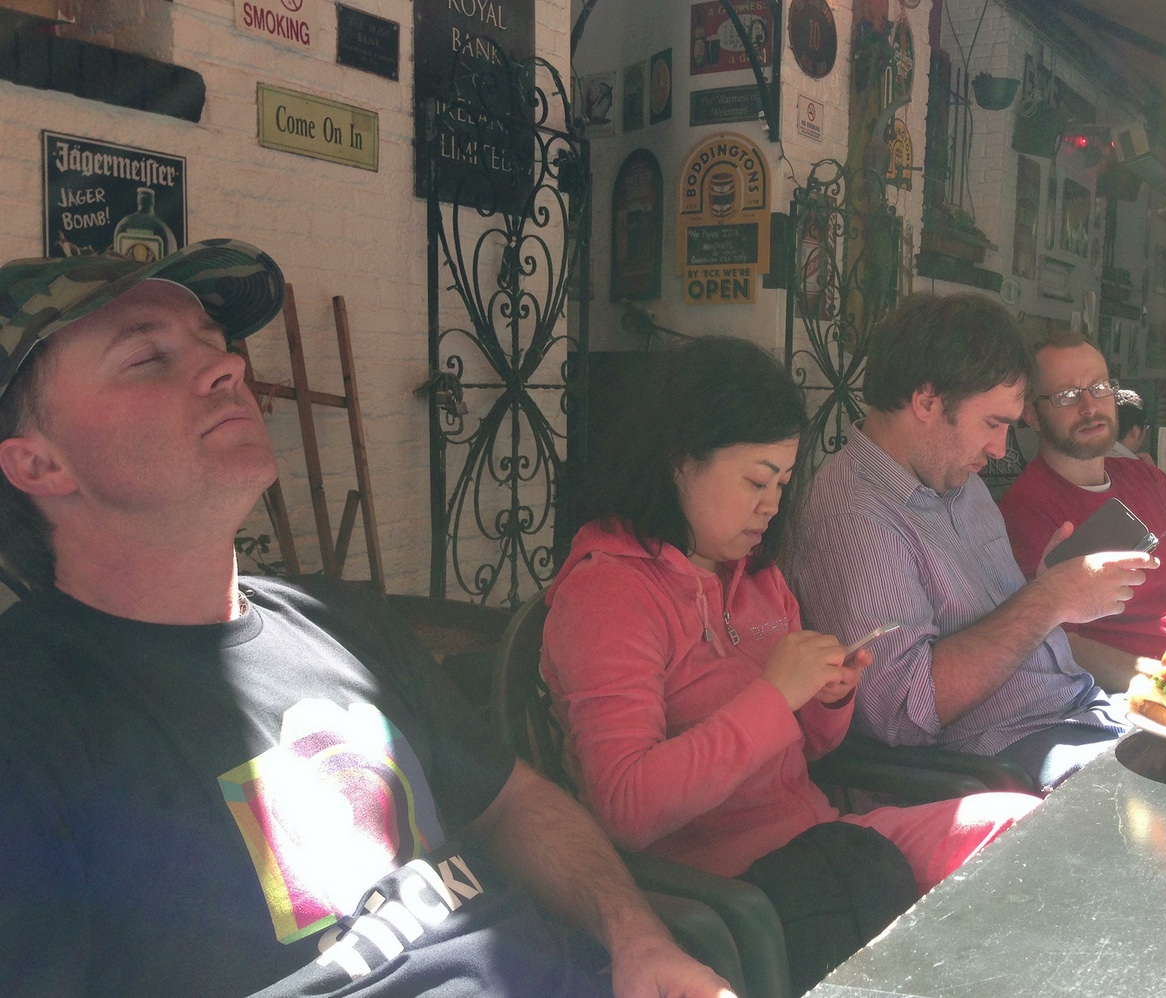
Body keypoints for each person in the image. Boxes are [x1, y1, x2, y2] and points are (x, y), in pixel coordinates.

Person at [0, 241, 732, 998]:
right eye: (147, 359)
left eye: (216, 346)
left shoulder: (338, 619)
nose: (230, 369)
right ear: (38, 466)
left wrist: (637, 939)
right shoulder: (27, 722)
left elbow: (512, 801)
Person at [541, 336, 1039, 993]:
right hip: (722, 894)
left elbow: (803, 751)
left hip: (821, 845)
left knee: (1026, 833)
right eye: (754, 480)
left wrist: (825, 699)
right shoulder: (610, 592)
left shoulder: (755, 576)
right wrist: (774, 697)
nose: (771, 505)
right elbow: (626, 807)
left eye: (782, 481)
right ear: (679, 461)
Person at [784, 292, 1157, 794]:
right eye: (992, 423)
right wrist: (1047, 601)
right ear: (927, 401)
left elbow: (990, 624)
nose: (1000, 449)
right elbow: (903, 713)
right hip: (1004, 758)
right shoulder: (853, 515)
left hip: (1080, 712)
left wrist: (1044, 586)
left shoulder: (961, 482)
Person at [997, 329, 1166, 685]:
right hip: (1126, 703)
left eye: (1099, 387)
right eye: (1067, 396)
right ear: (1031, 414)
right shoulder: (1023, 510)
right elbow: (1060, 646)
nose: (1090, 407)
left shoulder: (1143, 478)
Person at [1109, 388, 1155, 465]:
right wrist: (1152, 473)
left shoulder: (1093, 458)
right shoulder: (1137, 469)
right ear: (1135, 431)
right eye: (1146, 427)